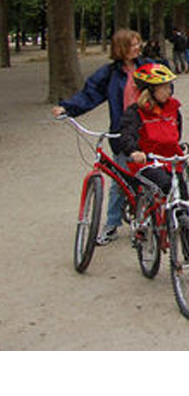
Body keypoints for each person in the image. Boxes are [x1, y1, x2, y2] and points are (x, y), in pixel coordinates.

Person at [52, 28, 149, 244]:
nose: (137, 47)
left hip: (148, 130)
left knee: (148, 178)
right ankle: (112, 224)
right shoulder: (110, 74)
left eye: (138, 43)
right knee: (120, 180)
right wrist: (67, 109)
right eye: (132, 44)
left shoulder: (148, 67)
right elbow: (90, 94)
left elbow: (164, 88)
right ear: (121, 48)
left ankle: (148, 221)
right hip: (123, 133)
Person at [118, 62, 189, 232]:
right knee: (165, 184)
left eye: (170, 87)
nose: (169, 91)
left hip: (171, 160)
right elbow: (126, 135)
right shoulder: (135, 112)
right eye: (164, 88)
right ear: (150, 91)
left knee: (183, 193)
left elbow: (176, 132)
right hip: (148, 162)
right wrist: (134, 151)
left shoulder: (173, 108)